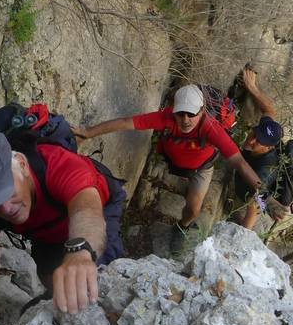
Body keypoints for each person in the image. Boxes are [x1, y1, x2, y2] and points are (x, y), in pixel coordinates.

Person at [72, 84, 286, 251]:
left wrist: (267, 198)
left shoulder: (211, 129)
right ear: (173, 110)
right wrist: (87, 133)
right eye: (180, 113)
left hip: (202, 168)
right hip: (175, 161)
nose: (185, 120)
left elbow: (239, 162)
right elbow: (128, 122)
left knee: (193, 209)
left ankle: (182, 227)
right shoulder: (166, 117)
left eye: (191, 114)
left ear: (202, 111)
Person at [0, 132, 125, 325]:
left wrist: (80, 252)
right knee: (49, 273)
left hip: (97, 212)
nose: (6, 208)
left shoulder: (58, 164)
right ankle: (59, 300)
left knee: (95, 282)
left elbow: (86, 208)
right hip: (47, 227)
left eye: (8, 192)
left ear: (22, 165)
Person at [234, 67, 287, 229]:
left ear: (269, 147)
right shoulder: (268, 130)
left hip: (248, 191)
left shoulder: (265, 172)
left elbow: (255, 207)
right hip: (248, 171)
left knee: (252, 199)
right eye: (254, 133)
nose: (251, 141)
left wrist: (243, 235)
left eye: (258, 142)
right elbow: (269, 110)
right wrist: (252, 87)